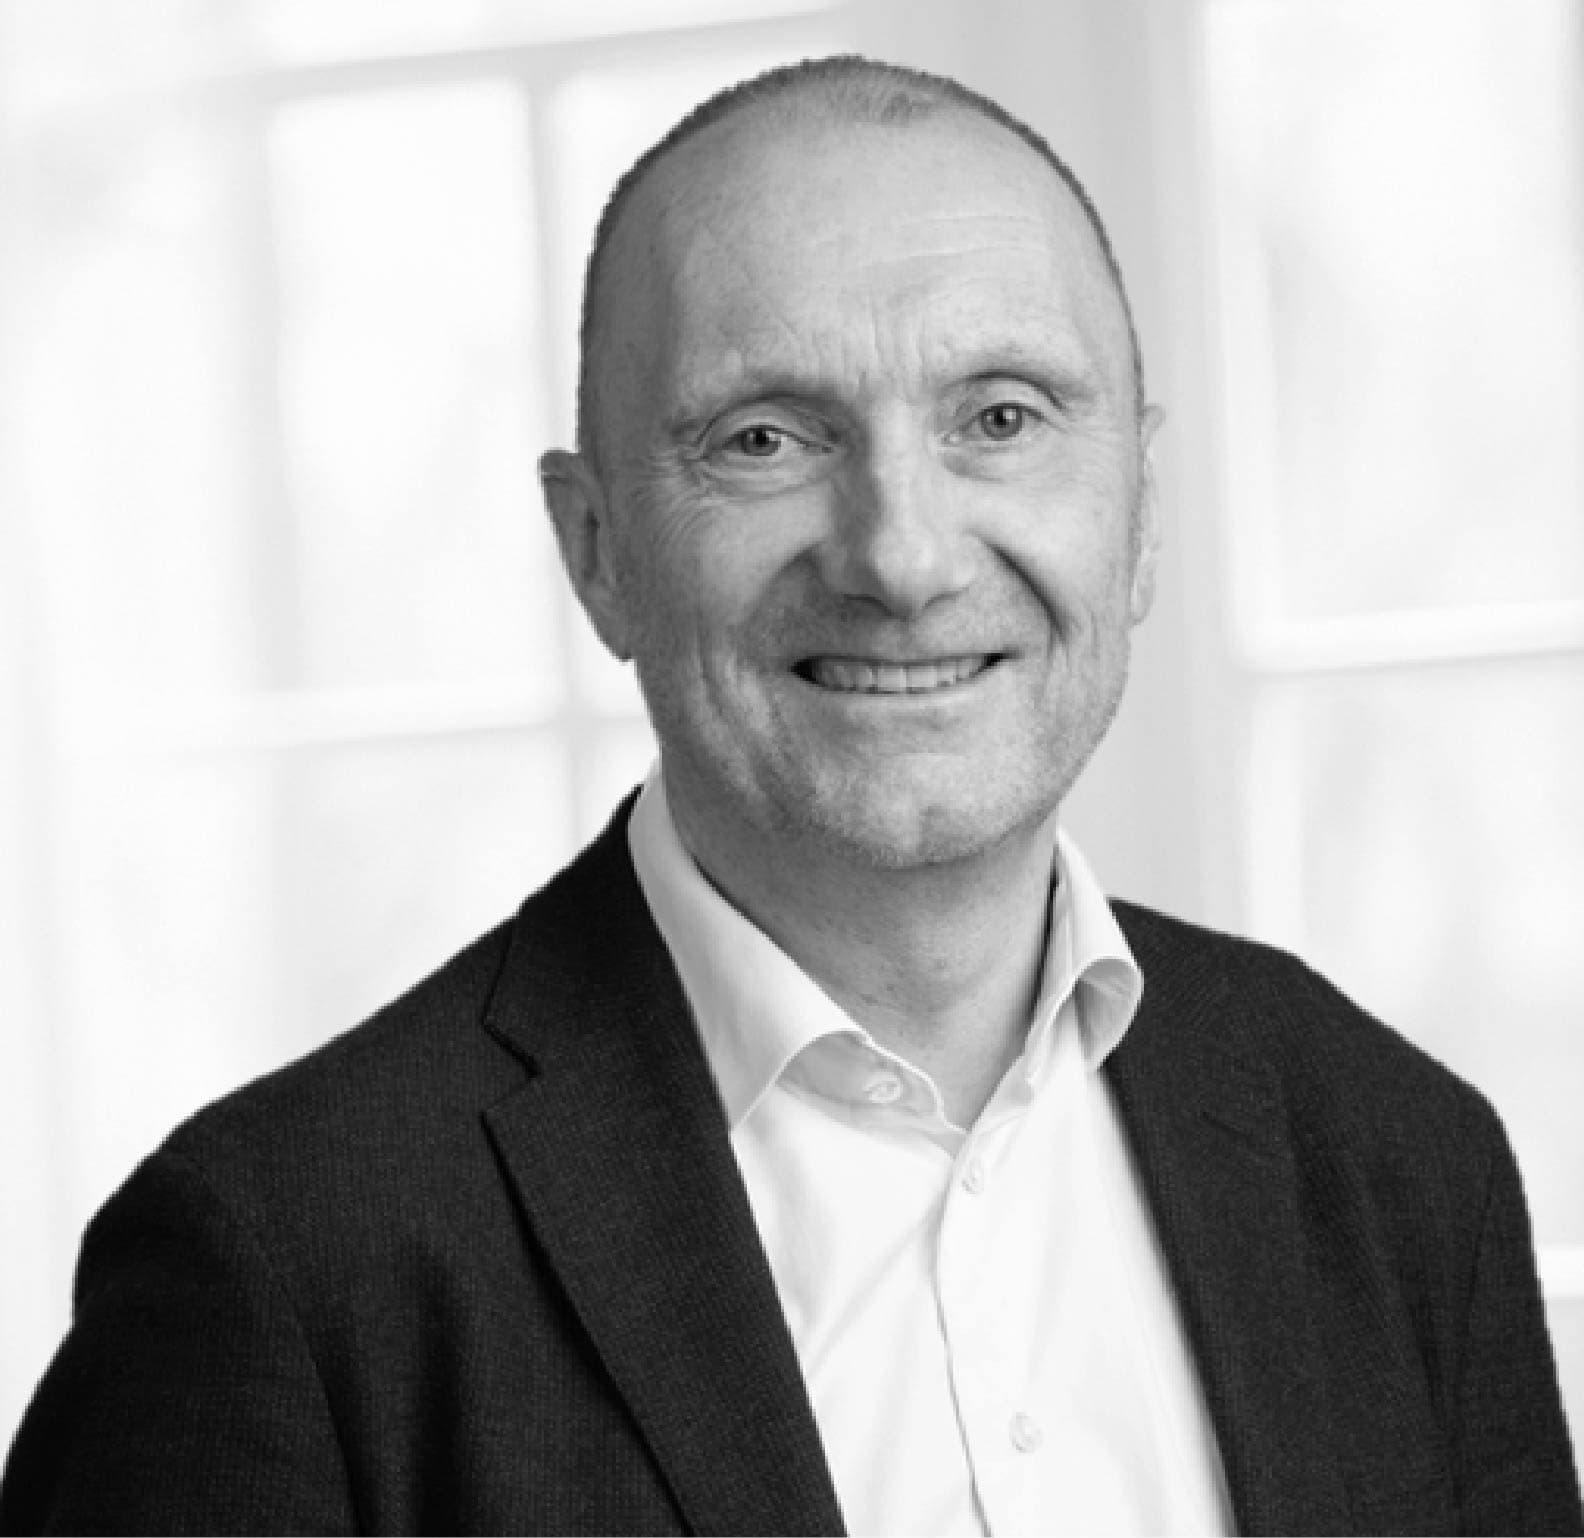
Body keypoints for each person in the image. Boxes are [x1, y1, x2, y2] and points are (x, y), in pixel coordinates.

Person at [2, 53, 1579, 1537]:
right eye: (764, 438)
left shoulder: (1395, 1155)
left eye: (1001, 418)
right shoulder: (276, 1275)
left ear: (1142, 513)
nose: (903, 554)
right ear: (597, 550)